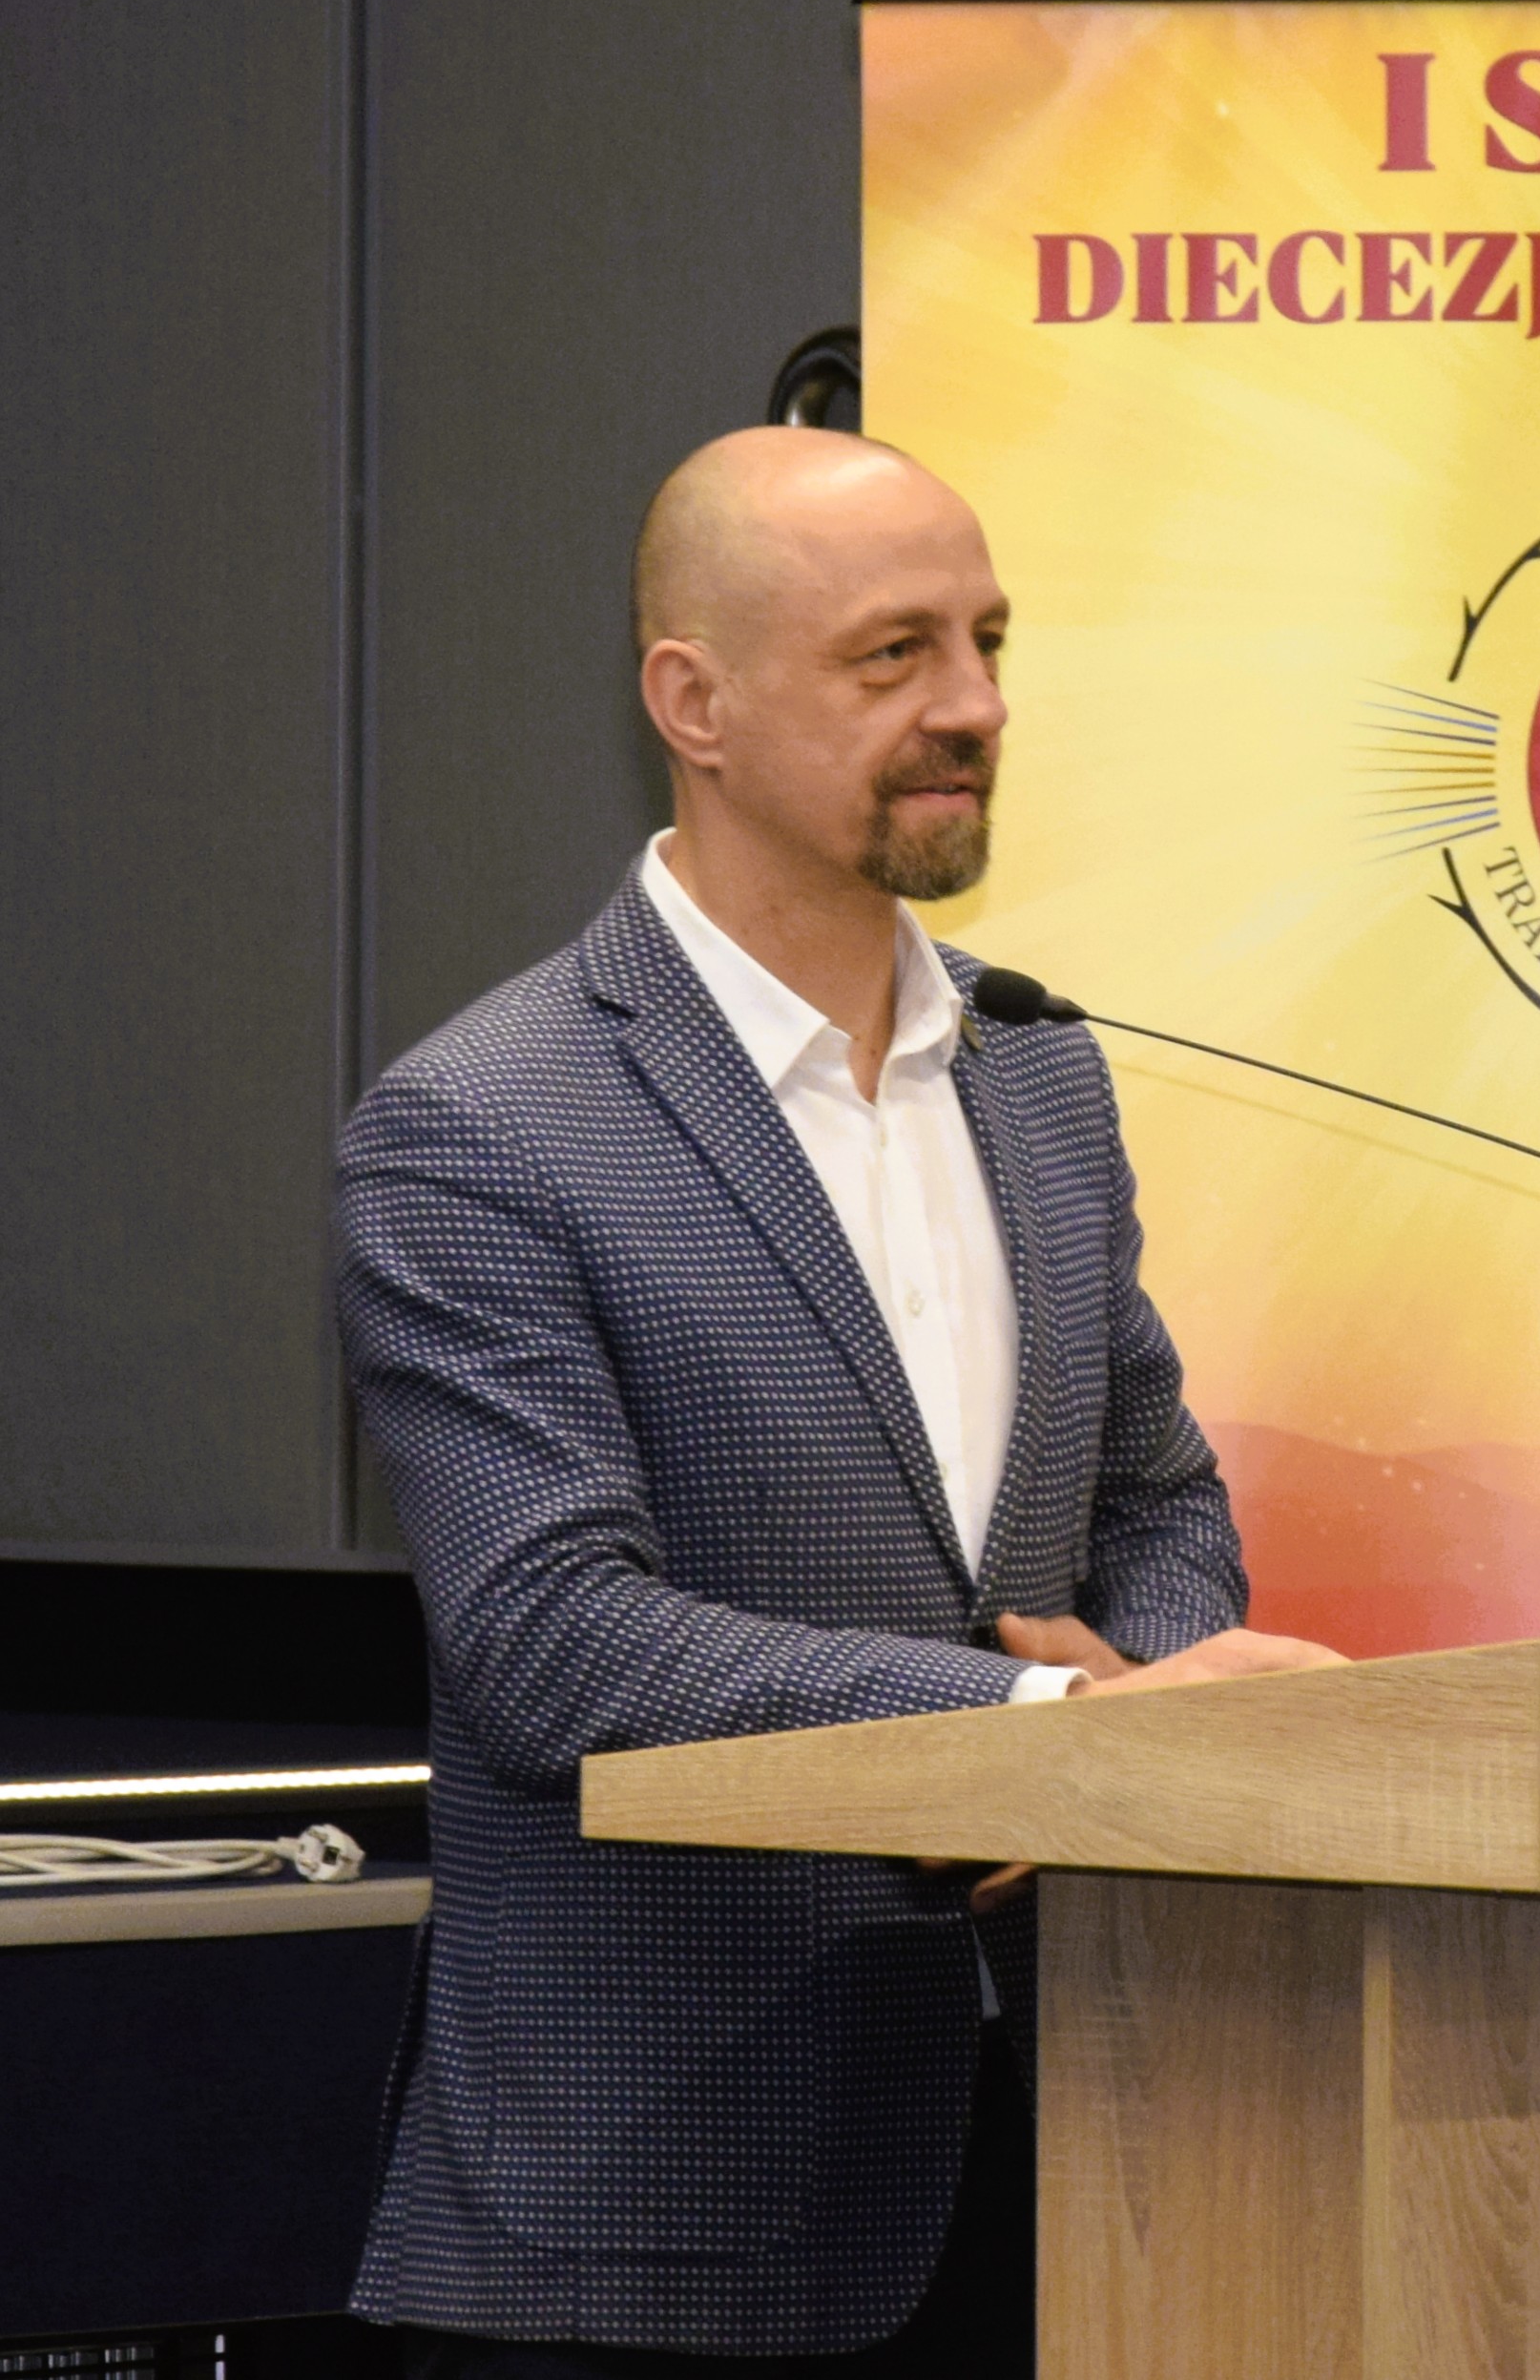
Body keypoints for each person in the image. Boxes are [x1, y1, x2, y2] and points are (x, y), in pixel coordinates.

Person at [337, 428, 1339, 2375]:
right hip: (661, 2210)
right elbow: (549, 1638)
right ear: (692, 703)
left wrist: (1136, 1716)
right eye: (895, 655)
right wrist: (1041, 1732)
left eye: (987, 642)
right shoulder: (481, 1126)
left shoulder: (1038, 1069)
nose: (974, 706)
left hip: (1081, 2164)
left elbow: (1150, 1496)